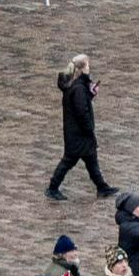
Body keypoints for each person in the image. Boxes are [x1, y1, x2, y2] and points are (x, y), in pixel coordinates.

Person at [49, 54, 112, 196]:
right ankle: (52, 188)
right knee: (68, 161)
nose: (89, 68)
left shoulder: (75, 85)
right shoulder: (78, 88)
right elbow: (81, 110)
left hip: (77, 133)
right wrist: (89, 128)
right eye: (88, 66)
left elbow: (80, 103)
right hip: (78, 134)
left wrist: (91, 94)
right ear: (82, 69)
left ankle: (102, 187)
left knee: (91, 159)